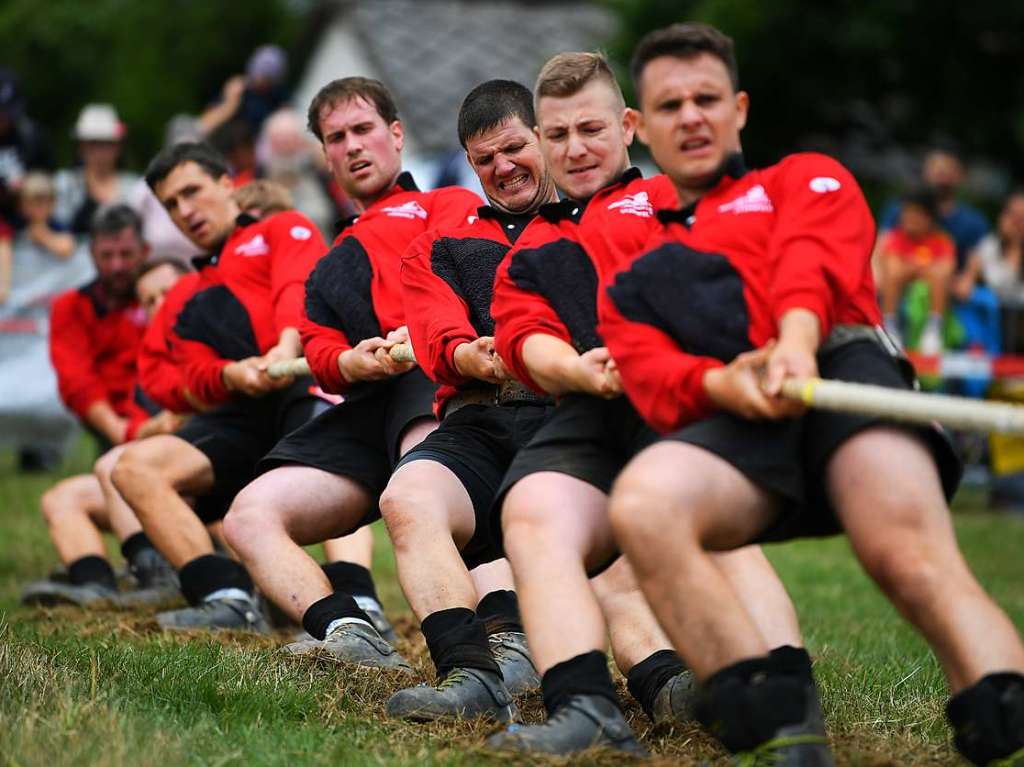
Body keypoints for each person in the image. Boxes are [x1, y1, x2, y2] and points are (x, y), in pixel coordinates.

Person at [598, 23, 1022, 765]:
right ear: (641, 126)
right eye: (670, 105)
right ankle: (765, 709)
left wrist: (794, 343)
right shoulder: (637, 252)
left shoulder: (804, 178)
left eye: (707, 98)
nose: (691, 116)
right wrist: (722, 380)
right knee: (642, 500)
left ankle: (1002, 703)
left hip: (839, 368)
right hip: (739, 402)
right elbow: (643, 361)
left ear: (740, 108)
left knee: (905, 555)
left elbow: (809, 264)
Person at [484, 53, 803, 756]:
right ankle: (586, 708)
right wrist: (580, 368)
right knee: (531, 512)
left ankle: (787, 699)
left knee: (711, 526)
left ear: (628, 126)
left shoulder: (677, 199)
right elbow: (523, 339)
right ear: (539, 139)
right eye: (558, 134)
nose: (575, 148)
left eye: (591, 128)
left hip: (696, 401)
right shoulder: (531, 250)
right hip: (595, 405)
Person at [221, 77, 482, 669]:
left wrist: (427, 337)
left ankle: (498, 645)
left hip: (442, 381)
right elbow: (318, 349)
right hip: (368, 406)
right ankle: (350, 633)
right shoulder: (332, 256)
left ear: (395, 134)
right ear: (325, 156)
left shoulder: (449, 205)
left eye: (363, 130)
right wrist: (347, 361)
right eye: (336, 138)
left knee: (439, 496)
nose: (353, 146)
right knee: (247, 515)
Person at [373, 79, 558, 723]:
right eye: (485, 160)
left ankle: (666, 680)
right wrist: (472, 354)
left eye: (514, 148)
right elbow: (438, 337)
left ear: (543, 136)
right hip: (481, 418)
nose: (503, 168)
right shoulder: (440, 245)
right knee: (406, 497)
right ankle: (470, 675)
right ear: (469, 165)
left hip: (576, 419)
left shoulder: (591, 223)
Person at [107, 141, 337, 633]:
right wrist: (228, 376)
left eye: (192, 192)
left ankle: (361, 602)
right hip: (239, 413)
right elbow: (180, 372)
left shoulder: (284, 226)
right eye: (171, 204)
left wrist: (284, 346)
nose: (185, 211)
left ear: (226, 184)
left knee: (329, 475)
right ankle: (226, 597)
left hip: (304, 387)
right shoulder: (185, 293)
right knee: (130, 468)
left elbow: (297, 287)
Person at [21, 258, 187, 608]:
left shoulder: (214, 337)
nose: (160, 306)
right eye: (149, 301)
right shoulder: (152, 357)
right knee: (62, 497)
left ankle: (160, 578)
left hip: (207, 481)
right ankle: (97, 586)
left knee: (115, 466)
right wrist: (150, 428)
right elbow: (137, 429)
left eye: (168, 294)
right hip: (154, 480)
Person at [49, 204, 152, 450]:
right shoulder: (70, 306)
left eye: (126, 254)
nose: (117, 265)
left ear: (145, 251)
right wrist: (116, 429)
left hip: (161, 411)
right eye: (107, 255)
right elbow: (76, 379)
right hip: (109, 418)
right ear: (92, 254)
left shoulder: (161, 295)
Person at [877, 188, 956, 353]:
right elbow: (891, 269)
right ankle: (890, 327)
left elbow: (946, 270)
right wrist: (920, 269)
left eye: (915, 214)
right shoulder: (894, 238)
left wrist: (912, 268)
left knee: (939, 276)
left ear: (929, 218)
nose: (908, 218)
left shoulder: (942, 241)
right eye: (906, 213)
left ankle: (933, 329)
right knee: (893, 273)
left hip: (929, 297)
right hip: (898, 293)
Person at [54, 104, 140, 235]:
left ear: (118, 147)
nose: (100, 151)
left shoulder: (135, 186)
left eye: (107, 143)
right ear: (81, 147)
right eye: (93, 143)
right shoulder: (63, 184)